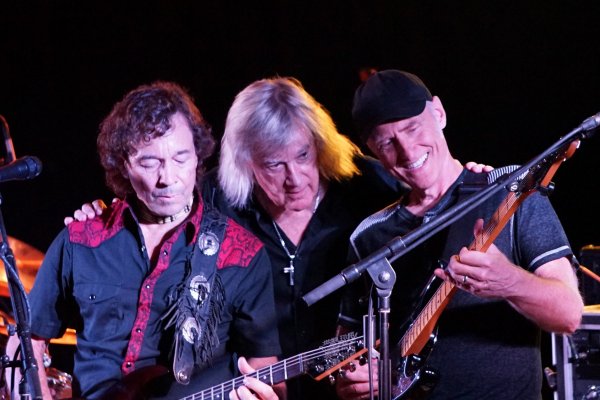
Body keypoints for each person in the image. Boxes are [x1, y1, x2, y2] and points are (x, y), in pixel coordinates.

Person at [66, 77, 492, 400]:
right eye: (273, 165)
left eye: (304, 156)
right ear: (245, 163)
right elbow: (148, 225)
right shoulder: (213, 199)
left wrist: (468, 181)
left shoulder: (369, 186)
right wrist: (103, 218)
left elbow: (429, 199)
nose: (295, 179)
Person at [5, 81, 282, 400]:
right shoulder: (81, 240)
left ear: (198, 156)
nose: (168, 178)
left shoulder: (241, 254)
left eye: (181, 158)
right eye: (150, 163)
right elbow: (27, 343)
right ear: (123, 164)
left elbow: (267, 372)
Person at [335, 70, 584, 400]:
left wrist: (508, 282)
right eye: (387, 143)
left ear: (439, 113)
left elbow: (569, 314)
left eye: (413, 128)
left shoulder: (510, 192)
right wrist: (349, 376)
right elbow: (345, 346)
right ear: (371, 149)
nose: (408, 151)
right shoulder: (368, 236)